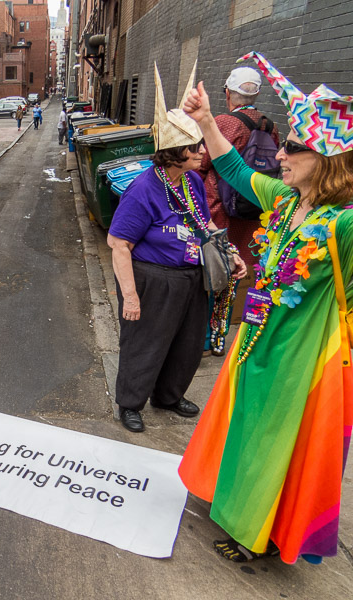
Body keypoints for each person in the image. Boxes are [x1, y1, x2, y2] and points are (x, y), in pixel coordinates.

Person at [179, 52, 353, 565]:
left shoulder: (343, 225)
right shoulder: (284, 201)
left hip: (300, 354)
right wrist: (208, 120)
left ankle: (259, 533)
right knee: (245, 426)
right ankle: (233, 506)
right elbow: (231, 169)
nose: (280, 154)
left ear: (327, 158)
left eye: (293, 148)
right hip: (256, 337)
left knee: (275, 441)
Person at [106, 63, 245, 433]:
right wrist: (131, 297)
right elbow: (118, 244)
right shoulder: (143, 190)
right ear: (174, 151)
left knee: (185, 345)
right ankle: (130, 403)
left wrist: (230, 255)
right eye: (194, 146)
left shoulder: (193, 182)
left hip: (191, 276)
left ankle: (167, 395)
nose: (202, 151)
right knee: (145, 343)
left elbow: (206, 225)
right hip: (153, 278)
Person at [198, 66, 280, 356]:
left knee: (212, 272)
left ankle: (205, 339)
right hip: (251, 212)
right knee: (235, 272)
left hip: (219, 208)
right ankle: (220, 337)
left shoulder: (223, 122)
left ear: (227, 93)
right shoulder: (269, 126)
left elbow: (204, 161)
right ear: (256, 93)